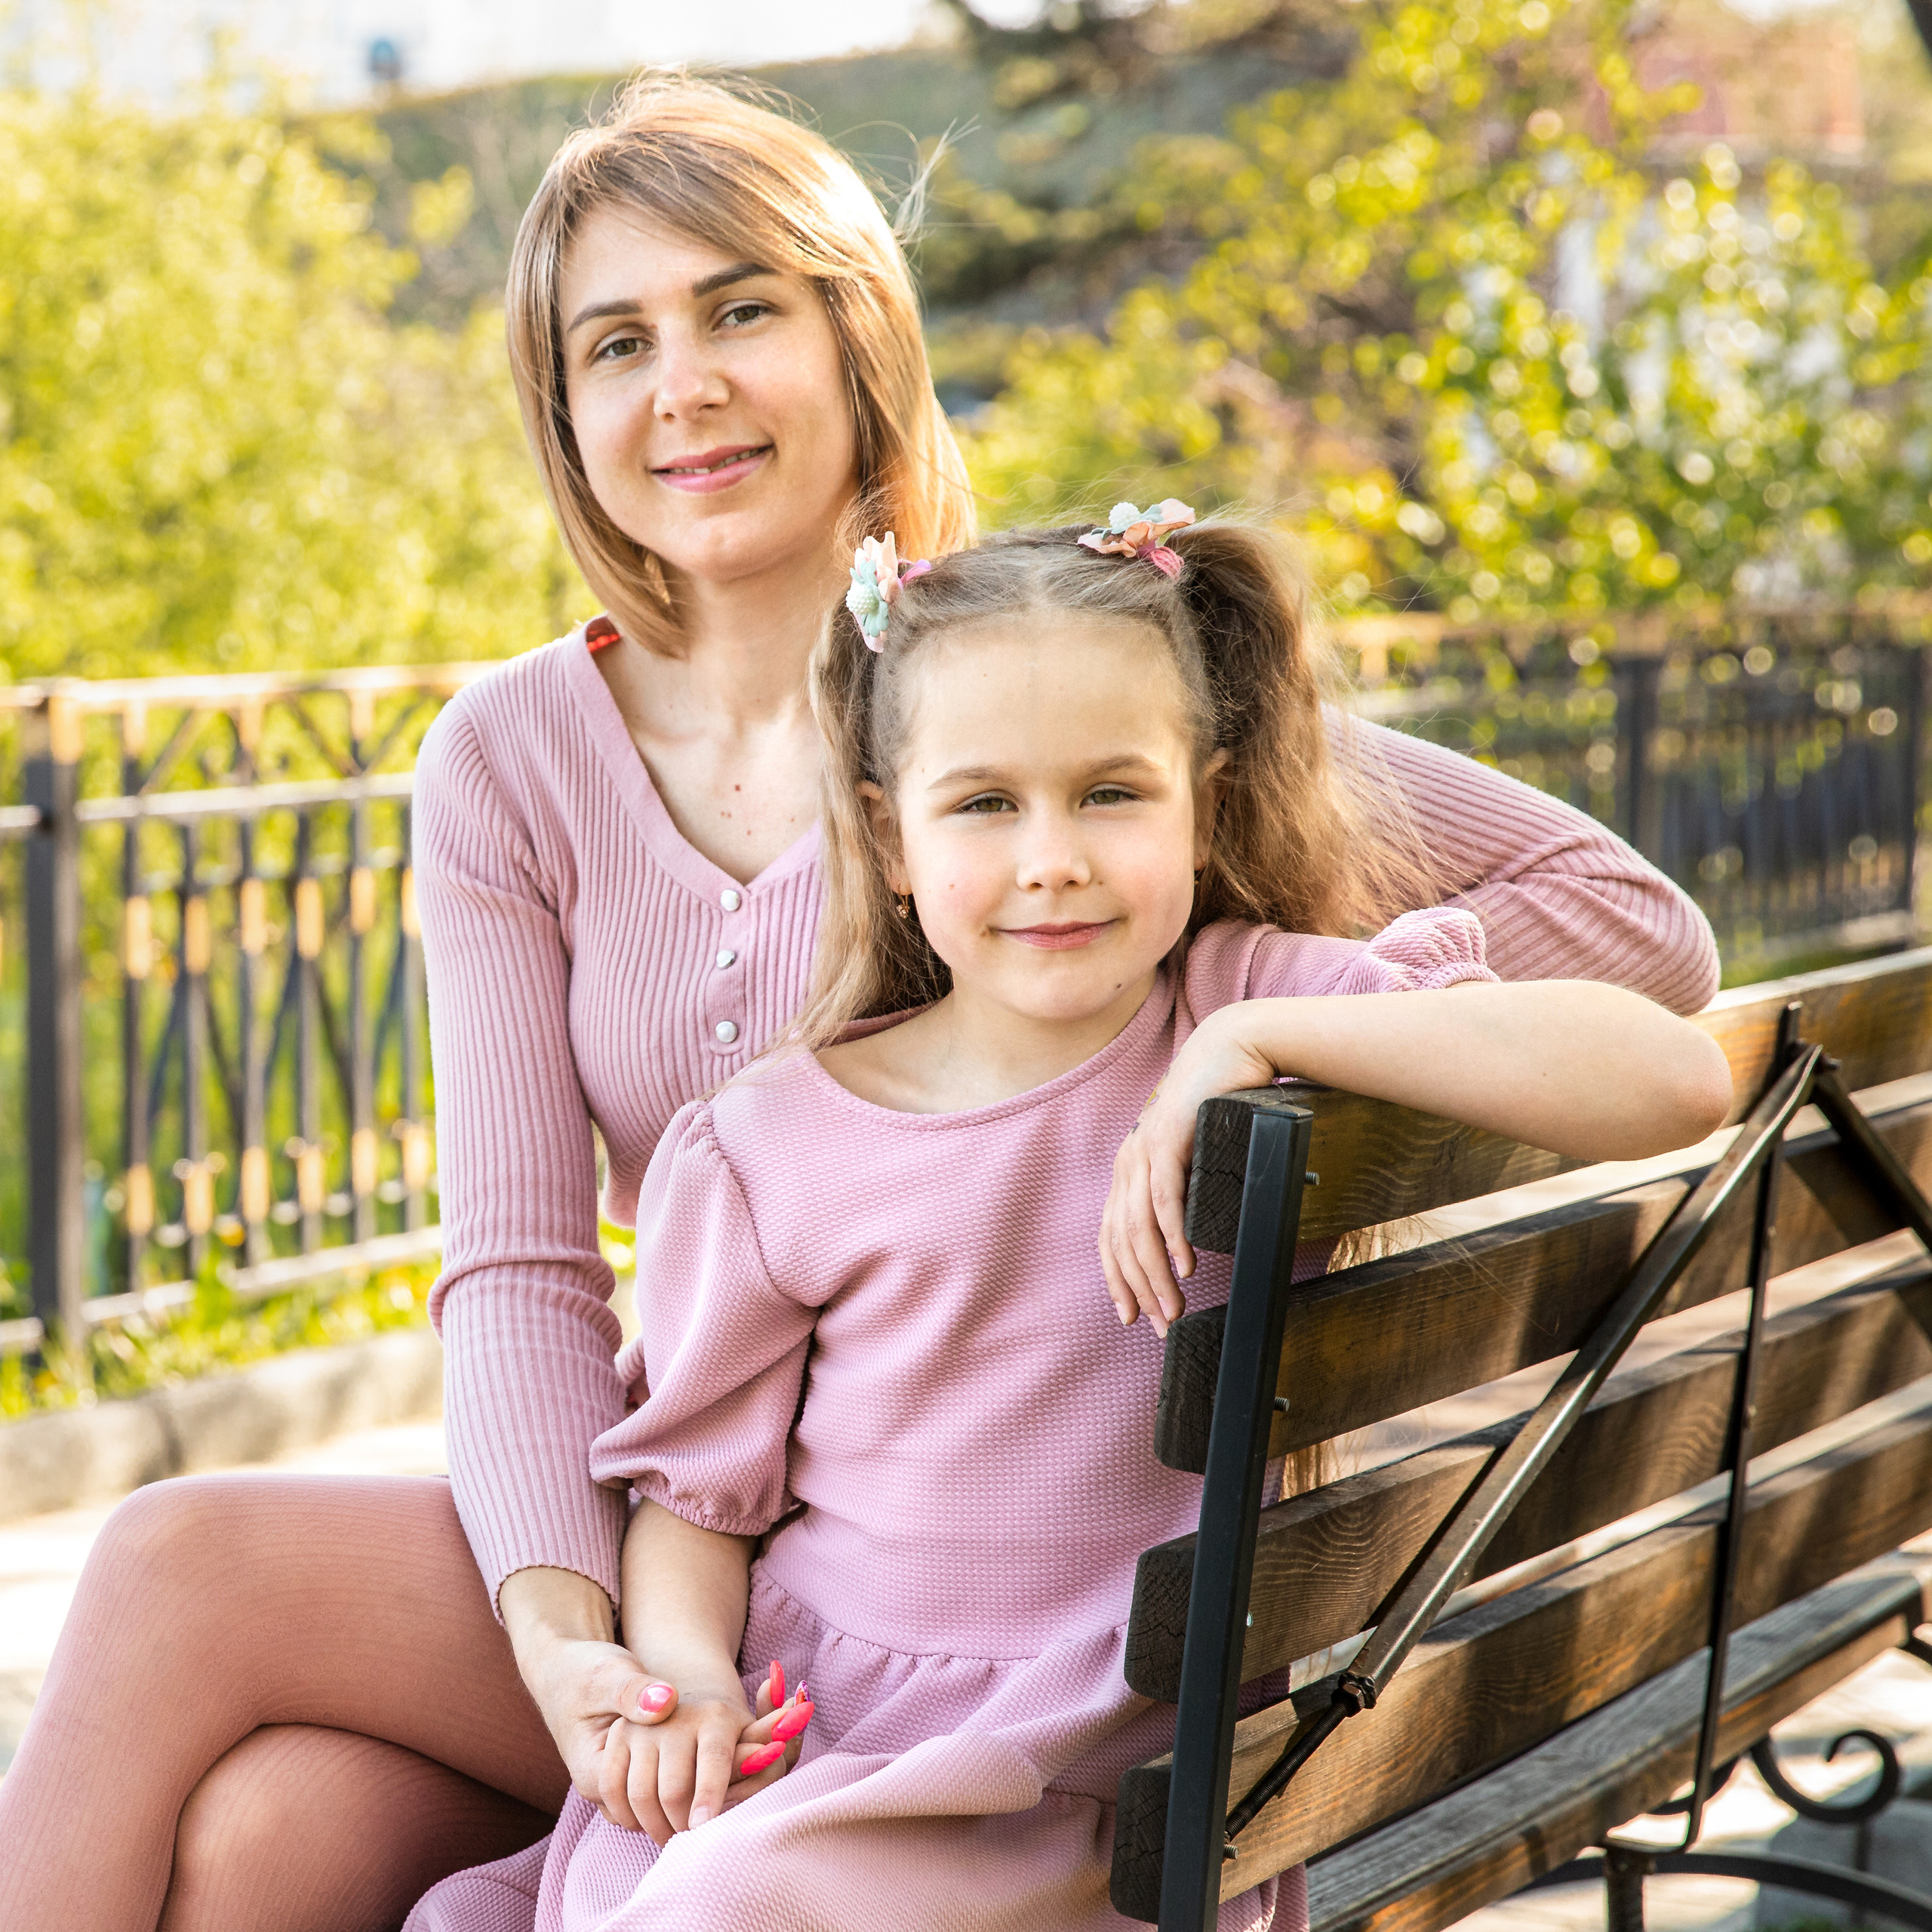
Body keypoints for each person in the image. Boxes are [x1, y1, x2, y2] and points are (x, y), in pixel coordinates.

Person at [0, 75, 1718, 1932]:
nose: (683, 386)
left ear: (857, 339)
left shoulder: (1024, 697)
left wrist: (1255, 1024)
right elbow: (517, 1271)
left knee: (220, 1662)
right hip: (700, 1549)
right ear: (561, 407)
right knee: (264, 1798)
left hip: (986, 1620)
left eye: (739, 309)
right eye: (616, 342)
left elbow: (1628, 928)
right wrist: (572, 1642)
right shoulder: (507, 756)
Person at [404, 512, 1734, 1931]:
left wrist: (1255, 1040)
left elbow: (1674, 1076)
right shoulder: (768, 1144)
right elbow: (695, 1503)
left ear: (1204, 809)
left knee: (717, 1908)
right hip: (819, 1726)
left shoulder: (1244, 1003)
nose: (1053, 859)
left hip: (1085, 1779)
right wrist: (689, 1675)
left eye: (1112, 793)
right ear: (889, 836)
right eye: (986, 803)